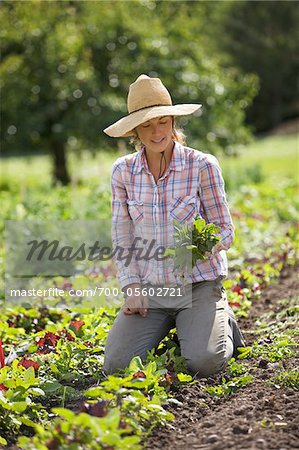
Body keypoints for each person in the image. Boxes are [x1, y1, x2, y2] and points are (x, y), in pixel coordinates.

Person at [102, 74, 244, 376]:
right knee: (116, 366)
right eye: (147, 125)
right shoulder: (123, 173)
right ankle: (182, 327)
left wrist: (194, 249)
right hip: (152, 291)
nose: (157, 132)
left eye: (163, 122)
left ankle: (219, 319)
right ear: (135, 131)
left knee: (205, 363)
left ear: (173, 122)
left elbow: (224, 229)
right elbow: (122, 235)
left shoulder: (202, 165)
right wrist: (131, 286)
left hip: (198, 286)